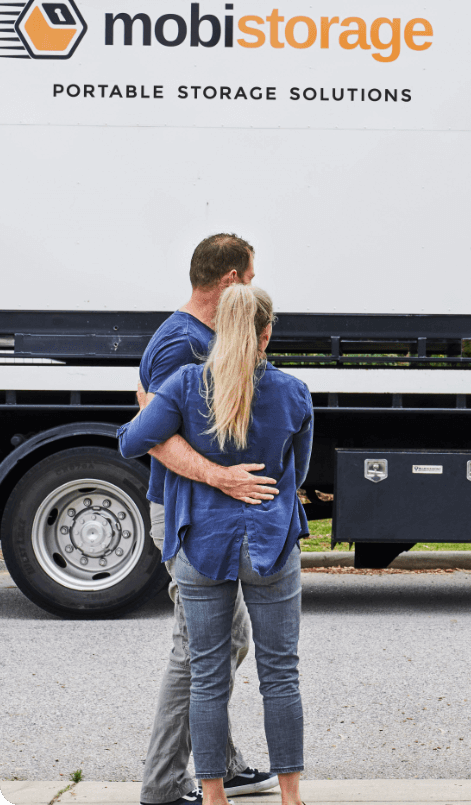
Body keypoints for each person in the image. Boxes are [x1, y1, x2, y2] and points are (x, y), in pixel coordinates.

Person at [120, 285, 313, 805]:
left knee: (206, 676)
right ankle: (292, 798)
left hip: (200, 542)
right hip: (271, 544)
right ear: (267, 333)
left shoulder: (184, 384)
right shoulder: (294, 392)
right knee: (281, 674)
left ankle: (213, 797)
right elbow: (301, 468)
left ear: (219, 330)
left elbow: (131, 442)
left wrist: (147, 410)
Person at [137, 234, 279, 805]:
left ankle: (219, 761)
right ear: (230, 282)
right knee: (198, 650)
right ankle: (165, 786)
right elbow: (155, 439)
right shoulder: (180, 344)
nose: (255, 292)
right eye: (250, 280)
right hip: (181, 513)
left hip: (199, 513)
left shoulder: (200, 339)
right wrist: (223, 478)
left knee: (228, 638)